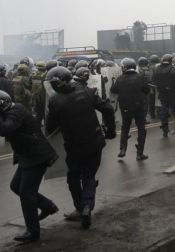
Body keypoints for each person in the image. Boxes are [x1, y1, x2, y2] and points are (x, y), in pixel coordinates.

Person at [45, 66, 116, 229]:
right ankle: (87, 206)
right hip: (95, 141)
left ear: (57, 83)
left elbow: (50, 127)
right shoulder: (87, 90)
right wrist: (110, 131)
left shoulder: (55, 100)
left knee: (74, 177)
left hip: (74, 146)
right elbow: (107, 109)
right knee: (89, 176)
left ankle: (80, 207)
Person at [0, 90, 59, 244]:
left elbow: (5, 129)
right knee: (15, 186)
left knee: (26, 193)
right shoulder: (12, 110)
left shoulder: (16, 112)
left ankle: (33, 231)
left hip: (37, 156)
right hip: (28, 156)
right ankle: (48, 206)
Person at [111, 58, 149, 160]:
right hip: (139, 106)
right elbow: (147, 90)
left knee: (125, 128)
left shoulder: (120, 79)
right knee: (141, 129)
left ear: (124, 67)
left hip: (125, 107)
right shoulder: (140, 77)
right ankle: (139, 153)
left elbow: (113, 90)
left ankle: (123, 149)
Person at [152, 54, 175, 137]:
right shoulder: (173, 69)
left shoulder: (156, 69)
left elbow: (153, 81)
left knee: (164, 112)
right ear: (170, 60)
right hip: (173, 93)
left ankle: (165, 132)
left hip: (162, 93)